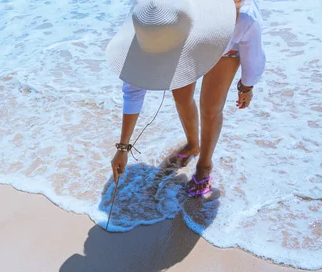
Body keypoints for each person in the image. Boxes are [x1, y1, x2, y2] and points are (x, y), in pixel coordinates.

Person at [107, 0, 265, 196]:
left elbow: (254, 54)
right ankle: (193, 144)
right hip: (181, 36)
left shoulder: (241, 17)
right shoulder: (150, 20)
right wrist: (123, 147)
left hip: (227, 45)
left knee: (211, 106)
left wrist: (246, 85)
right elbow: (133, 90)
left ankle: (204, 164)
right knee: (181, 97)